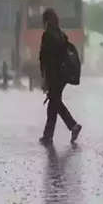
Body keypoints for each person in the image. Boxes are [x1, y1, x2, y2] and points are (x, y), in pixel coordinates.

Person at [39, 8, 82, 144]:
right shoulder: (61, 34)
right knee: (54, 104)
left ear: (46, 21)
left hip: (54, 75)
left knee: (55, 103)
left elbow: (46, 59)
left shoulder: (47, 35)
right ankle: (48, 135)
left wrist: (46, 79)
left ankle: (72, 126)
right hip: (63, 75)